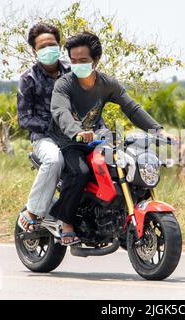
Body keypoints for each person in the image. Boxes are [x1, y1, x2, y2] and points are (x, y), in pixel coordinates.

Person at [47, 31, 171, 245]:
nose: (77, 65)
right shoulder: (64, 84)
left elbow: (131, 108)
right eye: (73, 61)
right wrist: (76, 131)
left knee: (122, 167)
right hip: (68, 141)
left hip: (97, 140)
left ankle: (119, 218)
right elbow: (60, 111)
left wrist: (157, 130)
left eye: (83, 60)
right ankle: (66, 223)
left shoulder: (106, 84)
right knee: (80, 172)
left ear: (96, 60)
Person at [16, 23, 70, 234]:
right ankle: (32, 211)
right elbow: (24, 118)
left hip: (74, 135)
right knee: (54, 159)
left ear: (59, 45)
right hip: (44, 138)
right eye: (43, 46)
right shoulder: (28, 79)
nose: (49, 49)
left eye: (53, 44)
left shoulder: (72, 71)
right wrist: (55, 127)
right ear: (34, 51)